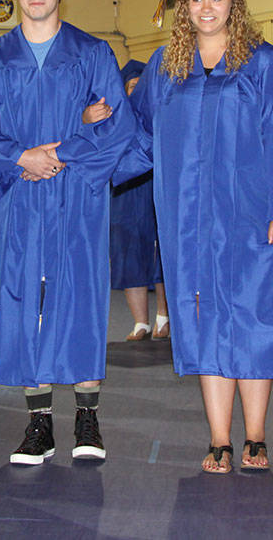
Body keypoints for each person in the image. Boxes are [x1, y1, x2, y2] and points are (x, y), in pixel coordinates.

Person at [120, 0, 273, 474]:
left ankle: (255, 436)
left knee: (254, 319)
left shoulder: (263, 63)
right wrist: (97, 137)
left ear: (235, 1)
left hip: (253, 217)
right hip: (189, 219)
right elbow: (139, 132)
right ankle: (218, 439)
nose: (206, 8)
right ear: (183, 6)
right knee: (201, 318)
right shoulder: (166, 65)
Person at [0, 0, 134, 465]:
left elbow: (118, 128)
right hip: (19, 195)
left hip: (77, 196)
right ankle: (39, 422)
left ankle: (87, 416)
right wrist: (22, 157)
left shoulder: (92, 53)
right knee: (22, 300)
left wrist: (57, 153)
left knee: (81, 295)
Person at [108, 59, 168, 341]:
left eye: (140, 86)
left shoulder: (162, 114)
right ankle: (140, 322)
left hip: (157, 186)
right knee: (127, 252)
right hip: (125, 191)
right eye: (131, 87)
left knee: (163, 252)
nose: (136, 91)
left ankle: (164, 317)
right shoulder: (114, 116)